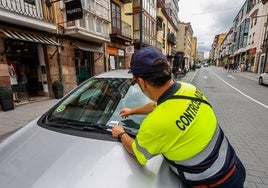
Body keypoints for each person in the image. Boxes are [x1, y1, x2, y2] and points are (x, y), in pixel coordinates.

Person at [111, 46, 246, 188]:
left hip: (214, 183)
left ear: (142, 82)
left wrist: (121, 134)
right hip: (234, 167)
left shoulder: (155, 124)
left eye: (135, 82)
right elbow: (157, 105)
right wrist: (132, 111)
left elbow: (139, 154)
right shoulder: (188, 89)